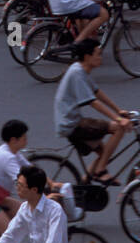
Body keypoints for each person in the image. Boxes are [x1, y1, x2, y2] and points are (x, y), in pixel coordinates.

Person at [54, 40, 135, 183]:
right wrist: (119, 120)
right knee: (118, 129)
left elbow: (97, 92)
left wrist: (119, 111)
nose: (101, 58)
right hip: (72, 124)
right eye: (98, 55)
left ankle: (85, 182)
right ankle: (101, 170)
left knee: (104, 152)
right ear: (87, 56)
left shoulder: (80, 69)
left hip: (72, 121)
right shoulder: (77, 73)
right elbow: (92, 102)